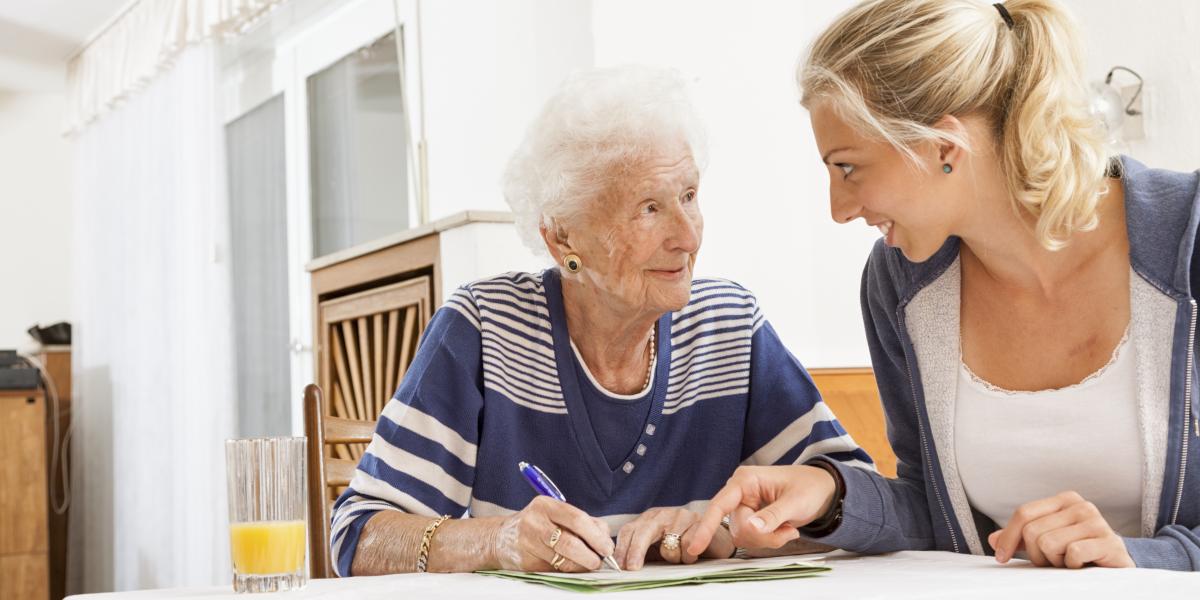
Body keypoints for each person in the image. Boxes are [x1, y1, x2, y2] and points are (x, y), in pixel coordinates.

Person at [689, 0, 1200, 571]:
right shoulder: (900, 286)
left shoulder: (1188, 240)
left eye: (847, 167)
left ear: (943, 147)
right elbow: (934, 509)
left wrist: (1146, 558)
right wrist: (831, 497)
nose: (838, 208)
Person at [328, 65, 874, 575]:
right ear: (562, 236)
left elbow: (860, 503)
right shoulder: (483, 330)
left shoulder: (729, 328)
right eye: (649, 208)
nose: (687, 237)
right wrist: (498, 540)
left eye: (688, 195)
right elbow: (358, 535)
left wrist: (728, 529)